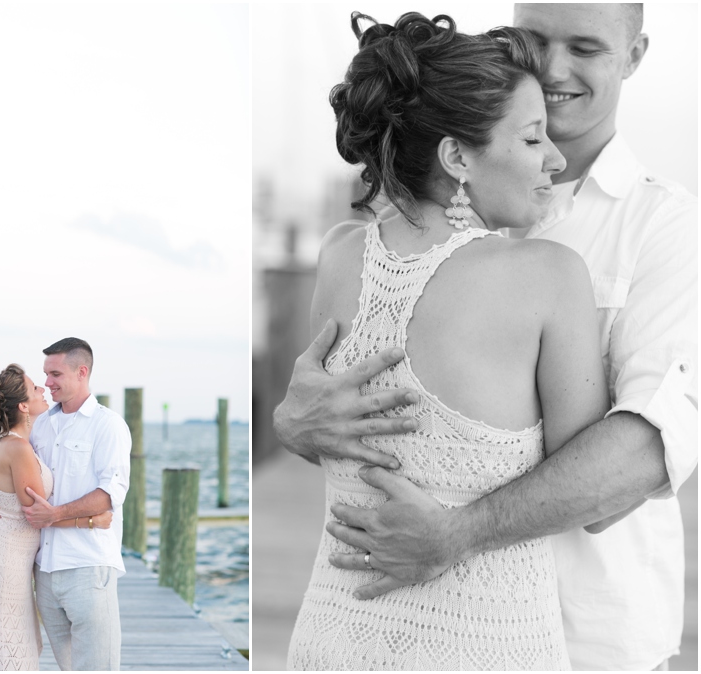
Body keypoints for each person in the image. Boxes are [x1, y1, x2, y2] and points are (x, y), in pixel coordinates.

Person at [274, 4, 698, 671]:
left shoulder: (667, 225)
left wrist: (455, 533)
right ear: (457, 156)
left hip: (585, 637)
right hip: (464, 632)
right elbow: (351, 434)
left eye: (585, 47)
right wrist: (292, 422)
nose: (554, 67)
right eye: (534, 41)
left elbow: (646, 450)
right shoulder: (531, 264)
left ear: (634, 54)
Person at [0, 338, 131, 671]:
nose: (47, 382)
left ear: (82, 372)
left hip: (88, 569)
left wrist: (59, 514)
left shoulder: (108, 425)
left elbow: (110, 493)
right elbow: (12, 464)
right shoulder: (41, 425)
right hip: (43, 571)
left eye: (55, 374)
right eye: (45, 374)